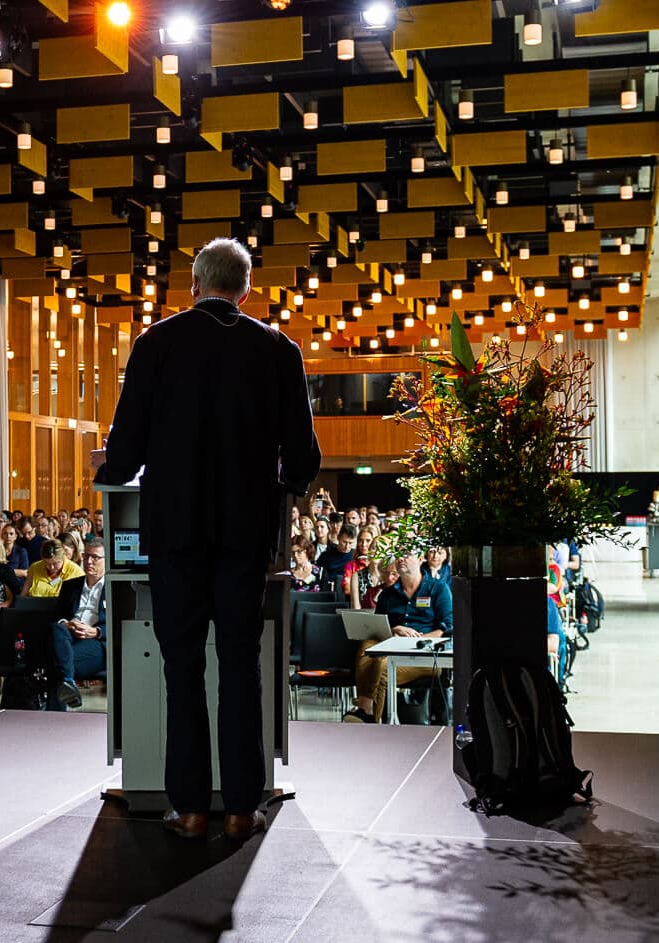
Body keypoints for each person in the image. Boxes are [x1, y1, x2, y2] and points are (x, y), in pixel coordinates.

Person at [94, 237, 320, 842]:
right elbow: (304, 455)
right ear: (246, 291)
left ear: (193, 286)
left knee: (182, 668)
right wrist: (285, 485)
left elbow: (127, 446)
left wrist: (108, 475)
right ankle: (243, 808)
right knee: (241, 667)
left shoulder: (156, 344)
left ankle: (191, 808)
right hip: (245, 536)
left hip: (175, 534)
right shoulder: (279, 350)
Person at [344, 549, 453, 723]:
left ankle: (371, 718)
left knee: (383, 665)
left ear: (420, 559)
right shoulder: (388, 594)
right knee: (369, 644)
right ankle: (367, 708)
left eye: (407, 555)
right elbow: (379, 627)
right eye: (399, 555)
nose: (400, 558)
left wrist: (419, 639)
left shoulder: (438, 588)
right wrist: (395, 629)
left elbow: (447, 626)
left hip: (426, 655)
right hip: (392, 647)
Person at [49, 538, 108, 710]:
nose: (89, 561)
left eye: (95, 557)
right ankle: (68, 682)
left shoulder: (114, 588)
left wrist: (95, 631)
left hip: (96, 642)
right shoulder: (70, 586)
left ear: (106, 560)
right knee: (57, 627)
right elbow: (57, 617)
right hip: (68, 637)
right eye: (86, 556)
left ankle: (54, 714)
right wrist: (67, 623)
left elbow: (120, 623)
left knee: (55, 661)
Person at [315, 523, 357, 588]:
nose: (347, 546)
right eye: (344, 542)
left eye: (350, 543)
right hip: (328, 590)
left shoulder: (356, 556)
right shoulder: (326, 555)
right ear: (338, 538)